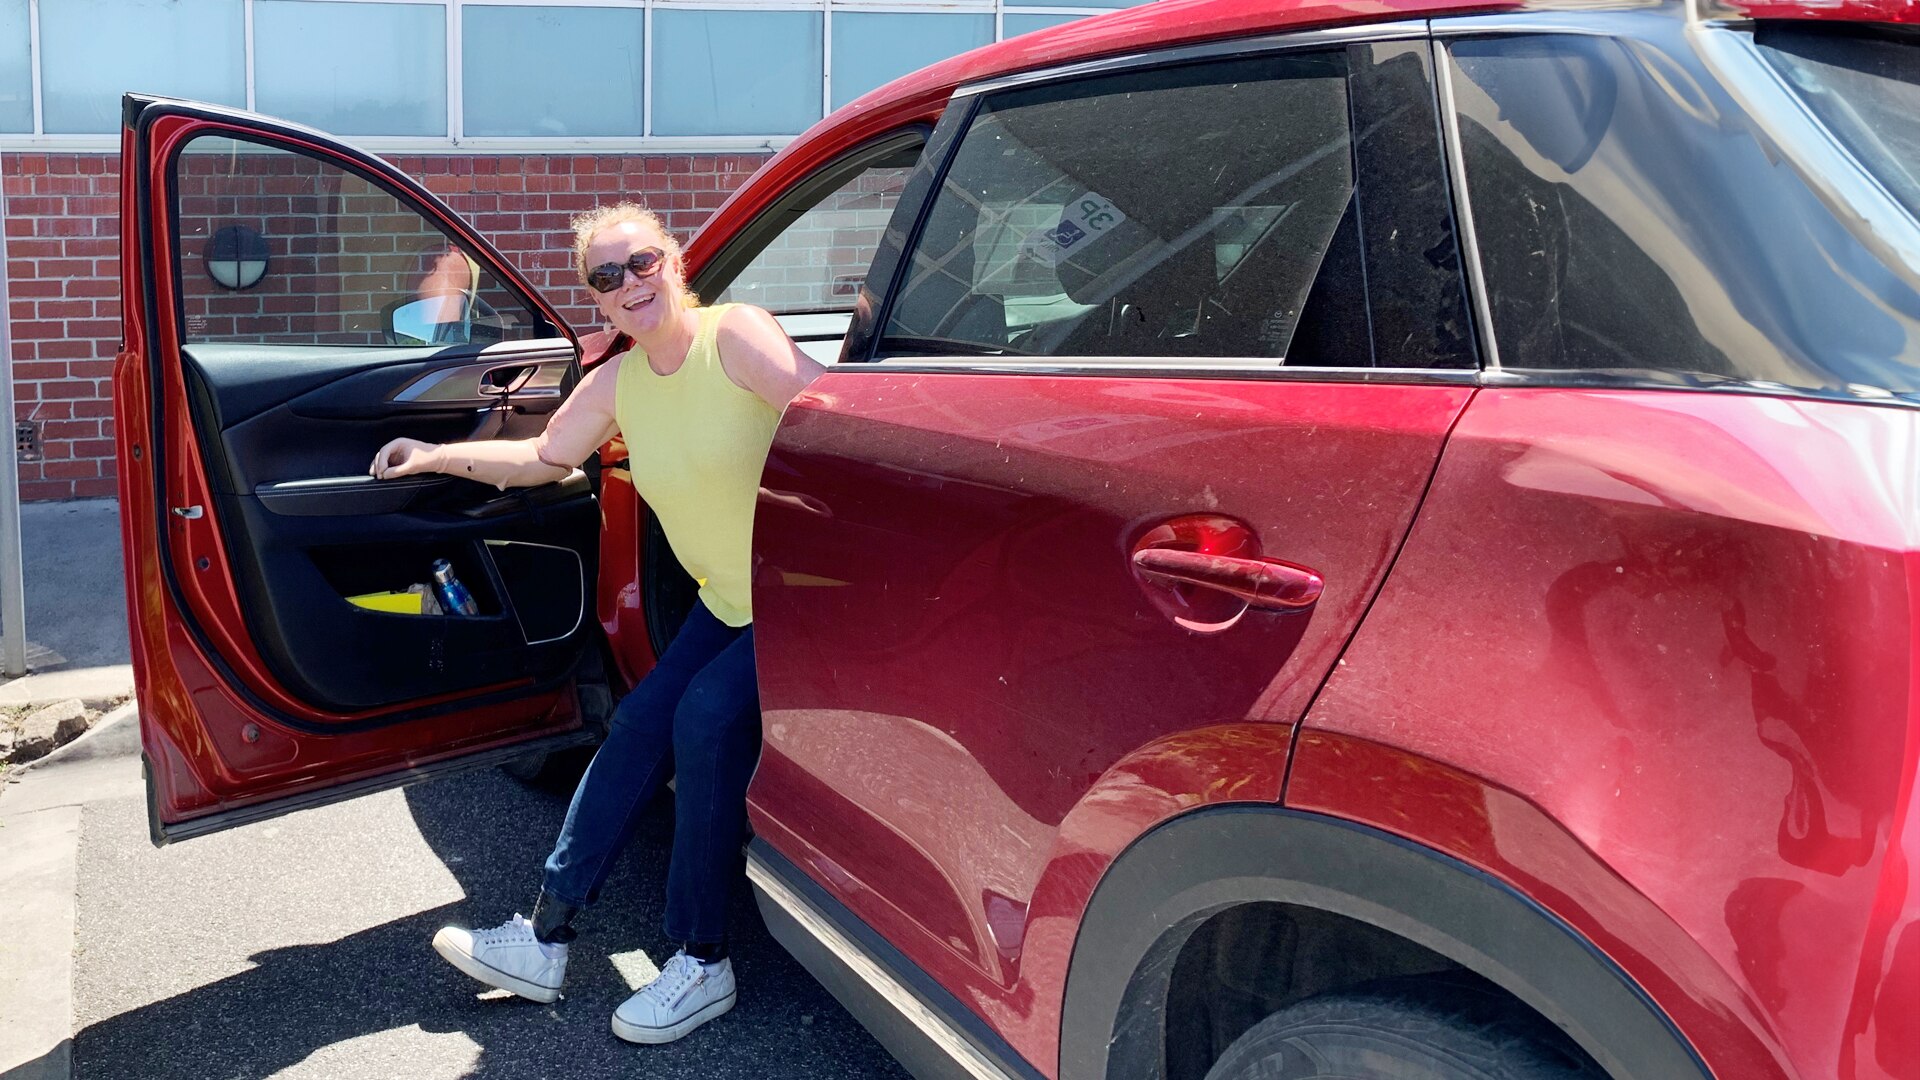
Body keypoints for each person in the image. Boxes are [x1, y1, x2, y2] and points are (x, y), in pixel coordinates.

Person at [368, 202, 824, 1044]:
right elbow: (543, 457)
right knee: (637, 726)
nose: (630, 284)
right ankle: (543, 939)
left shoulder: (734, 336)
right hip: (728, 602)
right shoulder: (619, 382)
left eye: (641, 262)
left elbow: (828, 415)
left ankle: (703, 959)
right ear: (599, 301)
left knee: (704, 719)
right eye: (607, 277)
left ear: (674, 262)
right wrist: (432, 455)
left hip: (804, 599)